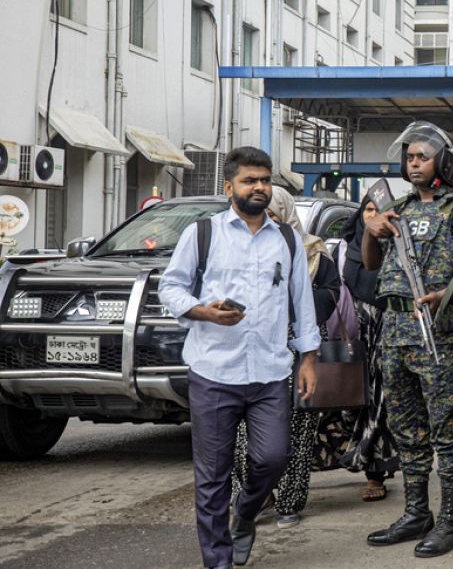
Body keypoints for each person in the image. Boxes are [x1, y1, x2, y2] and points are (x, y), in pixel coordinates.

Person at [158, 146, 319, 569]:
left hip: (269, 372)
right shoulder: (203, 234)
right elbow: (170, 288)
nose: (260, 188)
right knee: (212, 476)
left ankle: (245, 514)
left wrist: (308, 359)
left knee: (273, 459)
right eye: (250, 180)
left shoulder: (286, 238)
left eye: (265, 180)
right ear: (229, 187)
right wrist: (203, 311)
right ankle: (218, 561)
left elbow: (301, 300)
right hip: (214, 370)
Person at [363, 122, 453, 559]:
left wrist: (446, 294)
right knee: (407, 430)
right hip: (394, 334)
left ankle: (450, 520)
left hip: (438, 336)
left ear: (442, 162)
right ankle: (416, 512)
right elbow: (372, 265)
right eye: (409, 157)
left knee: (447, 431)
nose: (414, 163)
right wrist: (371, 229)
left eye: (422, 157)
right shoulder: (398, 207)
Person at [229, 188, 339, 529]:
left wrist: (287, 308)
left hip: (299, 354)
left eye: (275, 216)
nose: (269, 223)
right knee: (246, 429)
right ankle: (256, 496)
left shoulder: (313, 252)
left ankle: (290, 500)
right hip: (251, 353)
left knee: (298, 428)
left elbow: (329, 296)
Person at [335, 195, 399, 501]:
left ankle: (376, 473)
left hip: (386, 334)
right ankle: (350, 455)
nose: (372, 216)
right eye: (368, 210)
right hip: (353, 335)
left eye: (378, 210)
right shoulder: (344, 248)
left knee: (379, 403)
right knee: (349, 403)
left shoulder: (395, 245)